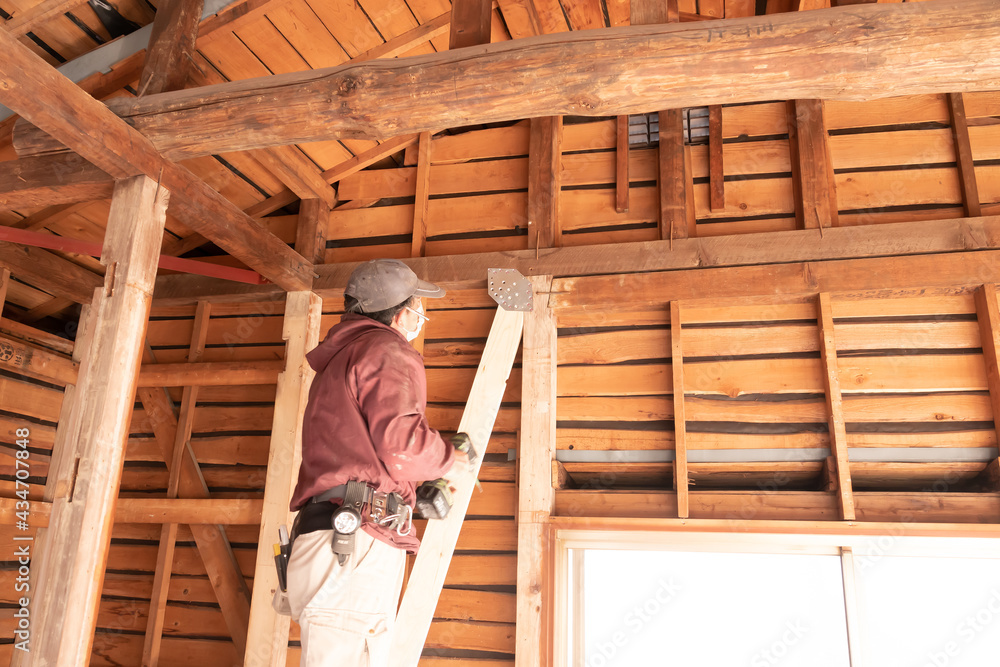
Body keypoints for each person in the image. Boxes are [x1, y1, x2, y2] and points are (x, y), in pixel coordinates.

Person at [283, 258, 468, 666]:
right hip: (354, 544)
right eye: (418, 307)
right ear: (400, 315)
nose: (421, 316)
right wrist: (450, 460)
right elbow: (402, 447)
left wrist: (408, 491)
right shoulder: (386, 350)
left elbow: (364, 453)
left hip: (335, 540)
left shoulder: (340, 361)